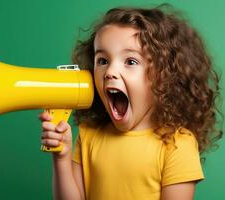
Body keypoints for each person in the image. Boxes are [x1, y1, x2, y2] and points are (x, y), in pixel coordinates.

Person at [39, 4, 223, 200]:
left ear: (164, 76)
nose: (109, 72)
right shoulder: (88, 135)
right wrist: (61, 157)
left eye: (130, 61)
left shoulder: (178, 144)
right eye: (102, 61)